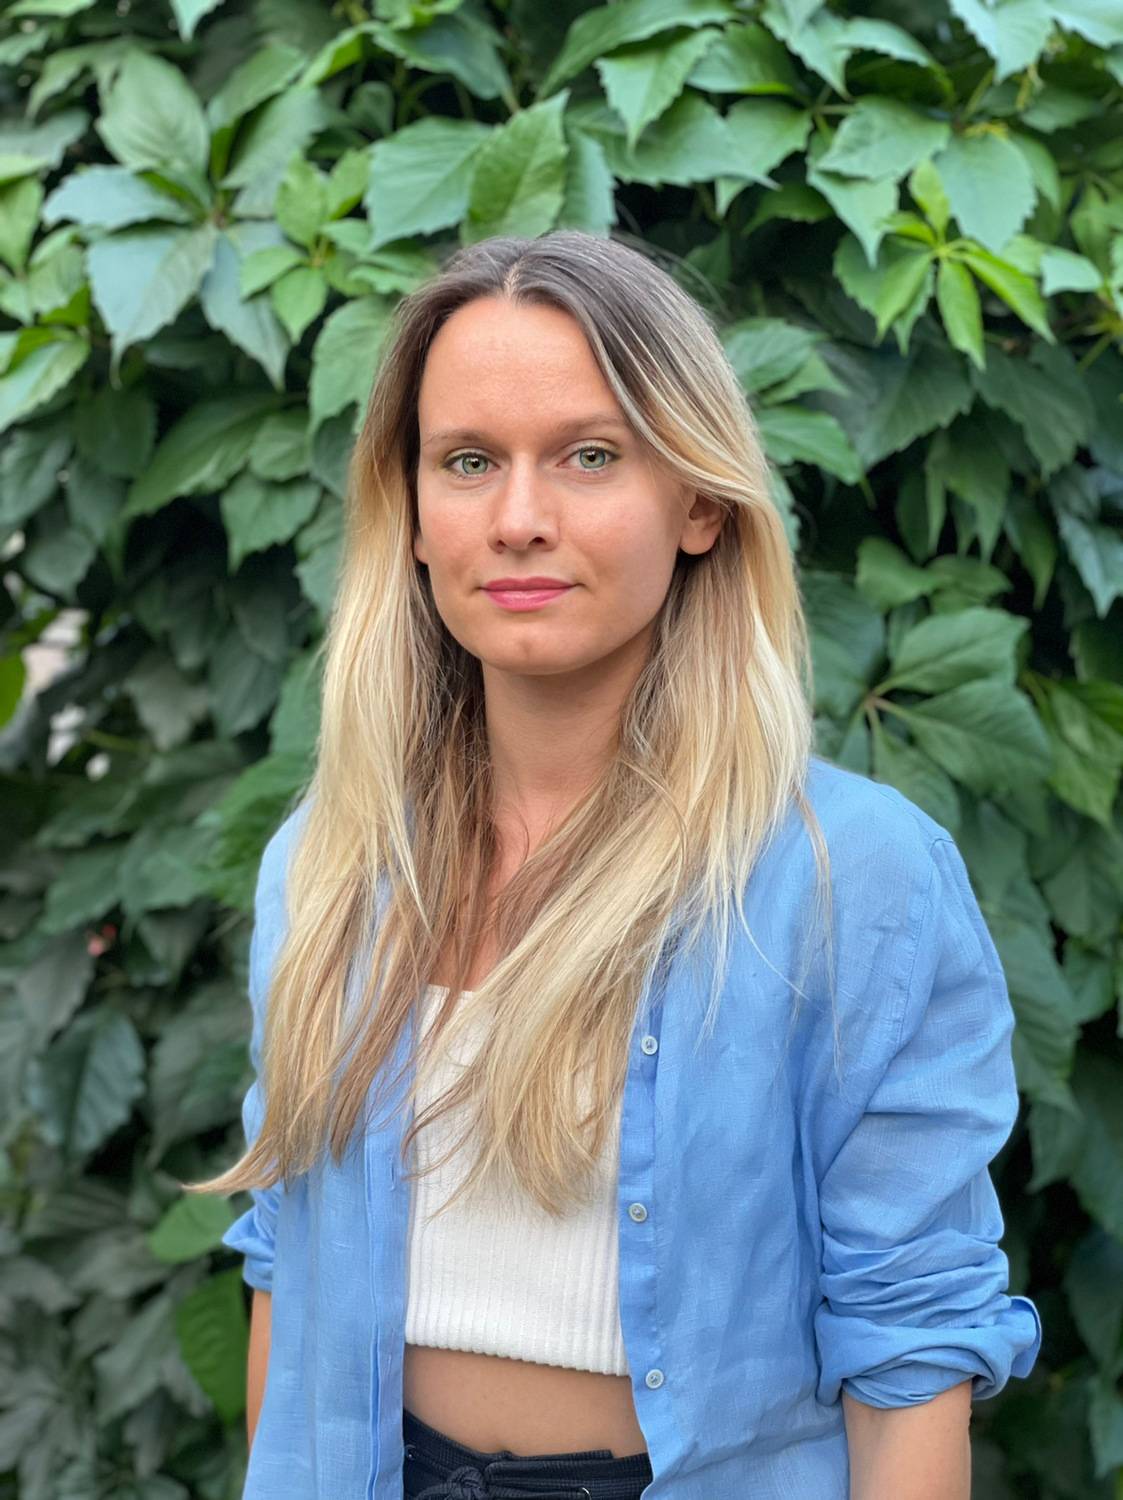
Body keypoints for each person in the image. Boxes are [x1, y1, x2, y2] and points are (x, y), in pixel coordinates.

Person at [187, 229, 1042, 1499]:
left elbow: (910, 1335)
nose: (518, 521)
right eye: (467, 461)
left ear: (699, 502)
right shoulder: (331, 861)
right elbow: (286, 1264)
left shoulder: (850, 878)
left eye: (589, 456)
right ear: (410, 513)